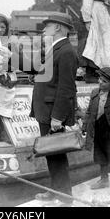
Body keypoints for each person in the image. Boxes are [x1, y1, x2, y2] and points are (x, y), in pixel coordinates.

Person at [26, 13, 78, 204]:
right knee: (52, 154)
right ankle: (57, 191)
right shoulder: (57, 49)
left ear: (57, 28)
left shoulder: (66, 52)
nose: (44, 30)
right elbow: (53, 78)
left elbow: (66, 88)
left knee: (56, 154)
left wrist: (57, 117)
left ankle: (64, 196)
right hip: (47, 110)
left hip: (52, 113)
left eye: (47, 26)